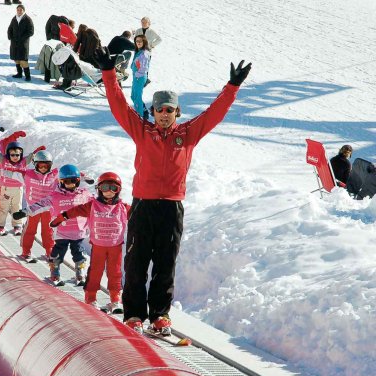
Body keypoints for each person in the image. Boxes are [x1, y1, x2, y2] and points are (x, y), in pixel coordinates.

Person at [94, 47, 252, 335]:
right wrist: (108, 73)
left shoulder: (188, 133)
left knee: (165, 264)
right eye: (159, 110)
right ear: (152, 112)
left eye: (169, 110)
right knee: (137, 262)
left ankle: (159, 316)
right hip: (143, 205)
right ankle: (133, 315)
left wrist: (232, 87)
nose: (164, 115)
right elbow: (118, 105)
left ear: (177, 112)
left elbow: (214, 114)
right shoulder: (143, 131)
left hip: (171, 207)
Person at [50, 172, 129, 313]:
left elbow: (140, 216)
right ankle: (91, 297)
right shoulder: (93, 205)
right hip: (98, 246)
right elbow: (76, 211)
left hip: (115, 246)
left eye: (113, 188)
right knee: (95, 272)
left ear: (119, 190)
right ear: (99, 189)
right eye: (105, 187)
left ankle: (115, 299)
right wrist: (62, 217)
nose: (109, 191)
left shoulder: (123, 207)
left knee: (115, 272)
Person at [13, 165, 94, 287]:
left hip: (79, 233)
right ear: (61, 182)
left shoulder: (84, 194)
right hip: (62, 232)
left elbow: (98, 205)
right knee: (57, 253)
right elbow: (40, 204)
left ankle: (80, 274)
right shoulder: (55, 196)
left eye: (74, 181)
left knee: (79, 253)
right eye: (66, 182)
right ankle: (55, 273)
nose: (70, 184)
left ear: (78, 182)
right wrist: (24, 211)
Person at [0, 140, 45, 236]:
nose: (15, 157)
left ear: (20, 154)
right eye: (12, 155)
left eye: (17, 155)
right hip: (6, 188)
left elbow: (32, 156)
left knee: (17, 207)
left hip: (18, 189)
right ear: (8, 154)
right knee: (3, 207)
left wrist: (38, 150)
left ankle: (17, 225)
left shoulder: (23, 162)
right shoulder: (3, 160)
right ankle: (0, 226)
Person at [20, 150, 59, 263]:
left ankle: (49, 250)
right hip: (33, 208)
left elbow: (69, 174)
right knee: (30, 229)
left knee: (48, 231)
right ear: (35, 164)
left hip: (48, 209)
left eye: (45, 166)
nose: (42, 168)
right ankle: (26, 250)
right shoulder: (28, 174)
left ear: (50, 165)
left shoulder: (54, 175)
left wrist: (84, 177)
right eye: (40, 165)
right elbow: (14, 171)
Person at [7, 5, 34, 81]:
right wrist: (10, 36)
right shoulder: (14, 18)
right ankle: (19, 74)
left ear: (23, 10)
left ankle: (28, 76)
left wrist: (22, 38)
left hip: (23, 43)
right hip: (14, 43)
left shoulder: (28, 19)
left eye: (20, 10)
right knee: (17, 59)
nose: (19, 11)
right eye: (18, 10)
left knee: (23, 60)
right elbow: (10, 28)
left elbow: (31, 31)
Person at [132, 17, 161, 86]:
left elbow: (159, 39)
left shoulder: (152, 31)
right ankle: (137, 79)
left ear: (149, 23)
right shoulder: (138, 30)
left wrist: (151, 45)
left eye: (145, 22)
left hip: (146, 52)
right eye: (142, 22)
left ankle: (144, 80)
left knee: (144, 66)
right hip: (138, 51)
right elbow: (135, 40)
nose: (143, 24)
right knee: (136, 66)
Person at [130, 35, 151, 117]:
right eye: (137, 41)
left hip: (140, 77)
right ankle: (144, 110)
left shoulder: (144, 54)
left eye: (140, 41)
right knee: (133, 96)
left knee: (137, 97)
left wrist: (137, 75)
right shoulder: (138, 51)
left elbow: (144, 68)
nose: (138, 43)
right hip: (136, 77)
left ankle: (140, 116)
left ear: (144, 42)